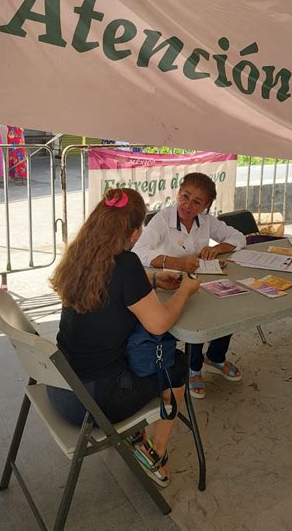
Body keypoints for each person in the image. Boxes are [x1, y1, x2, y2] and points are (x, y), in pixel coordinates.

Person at [48, 188, 199, 487]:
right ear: (132, 233)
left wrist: (154, 279)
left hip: (59, 386)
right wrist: (184, 291)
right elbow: (159, 324)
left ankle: (136, 435)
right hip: (93, 404)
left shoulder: (80, 255)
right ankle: (155, 452)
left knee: (131, 357)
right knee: (178, 363)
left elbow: (112, 287)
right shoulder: (126, 264)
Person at [133, 172, 246, 400]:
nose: (188, 204)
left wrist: (218, 248)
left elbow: (239, 238)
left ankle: (216, 356)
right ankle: (193, 367)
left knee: (228, 304)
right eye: (185, 196)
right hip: (170, 286)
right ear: (178, 193)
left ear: (206, 206)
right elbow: (139, 252)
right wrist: (174, 262)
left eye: (197, 202)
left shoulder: (205, 221)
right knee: (197, 317)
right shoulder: (163, 220)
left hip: (200, 281)